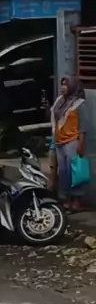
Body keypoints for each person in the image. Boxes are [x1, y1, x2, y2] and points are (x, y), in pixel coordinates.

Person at [51, 76, 89, 212]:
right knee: (64, 172)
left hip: (72, 141)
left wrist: (81, 143)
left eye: (66, 85)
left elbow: (83, 126)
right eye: (62, 84)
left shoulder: (79, 103)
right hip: (59, 141)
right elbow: (54, 119)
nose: (63, 87)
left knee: (74, 171)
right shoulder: (59, 101)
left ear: (72, 86)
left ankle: (76, 200)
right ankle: (66, 199)